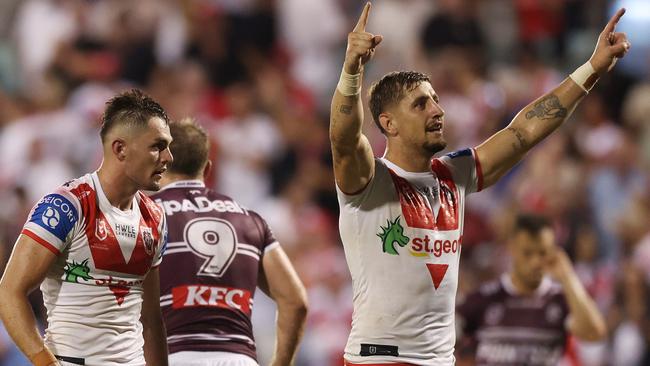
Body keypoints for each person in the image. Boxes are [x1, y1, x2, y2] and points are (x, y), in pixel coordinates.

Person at [329, 2, 630, 365]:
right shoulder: (369, 181)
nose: (438, 111)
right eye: (421, 104)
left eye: (437, 101)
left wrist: (592, 69)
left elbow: (523, 132)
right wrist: (350, 73)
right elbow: (344, 141)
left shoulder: (455, 174)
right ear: (388, 123)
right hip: (377, 360)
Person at [0, 89, 172, 366]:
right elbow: (9, 291)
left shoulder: (155, 217)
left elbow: (151, 319)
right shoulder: (66, 207)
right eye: (157, 146)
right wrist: (46, 363)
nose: (168, 157)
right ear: (120, 148)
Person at [150, 118, 308, 366]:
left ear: (161, 164)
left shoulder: (145, 215)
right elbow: (295, 301)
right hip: (238, 358)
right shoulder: (250, 220)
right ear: (208, 168)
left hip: (173, 355)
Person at [456, 214, 606, 365]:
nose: (535, 262)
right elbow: (442, 337)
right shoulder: (484, 299)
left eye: (542, 253)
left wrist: (568, 277)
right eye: (528, 253)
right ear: (512, 248)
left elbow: (594, 333)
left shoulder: (559, 299)